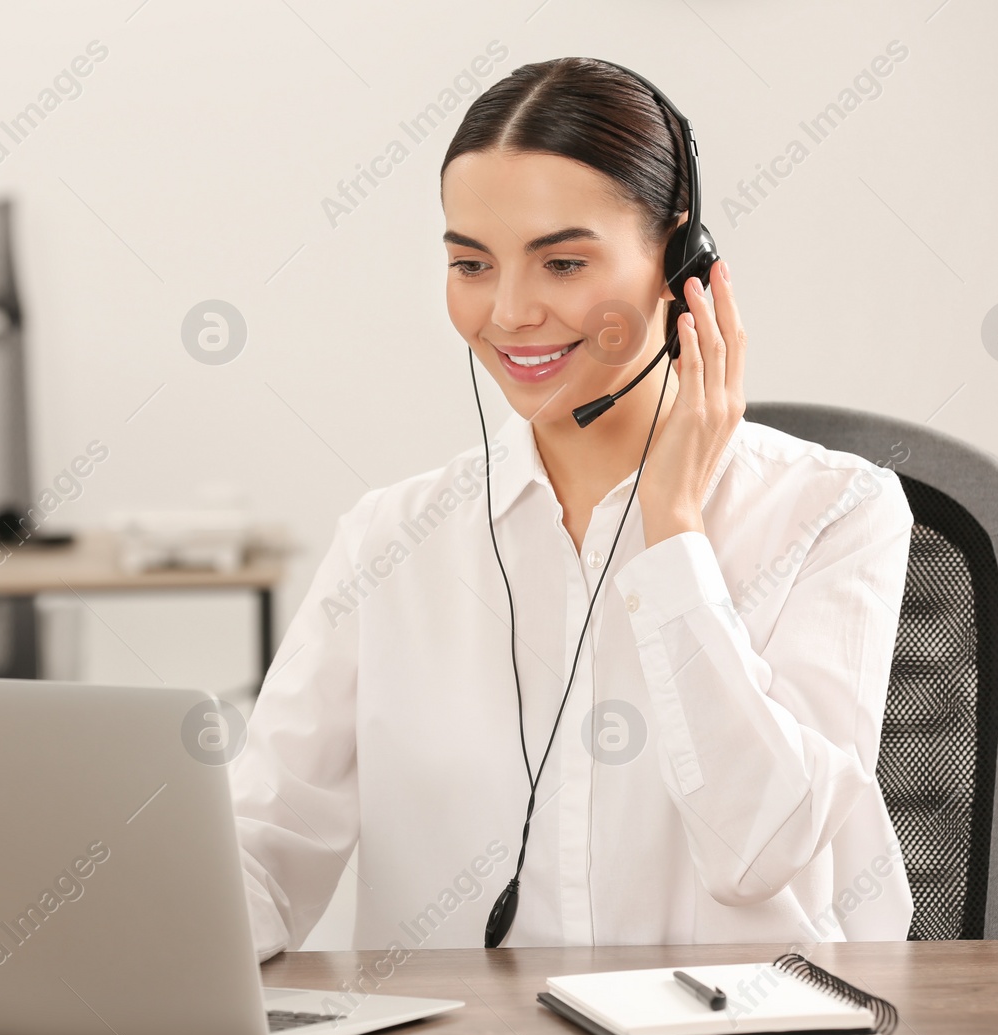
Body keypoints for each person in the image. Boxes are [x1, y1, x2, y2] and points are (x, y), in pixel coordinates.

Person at [230, 57, 914, 961]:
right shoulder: (391, 541)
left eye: (562, 261)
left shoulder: (834, 511)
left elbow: (758, 849)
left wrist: (671, 527)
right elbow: (261, 850)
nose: (510, 312)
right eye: (471, 264)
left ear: (682, 265)